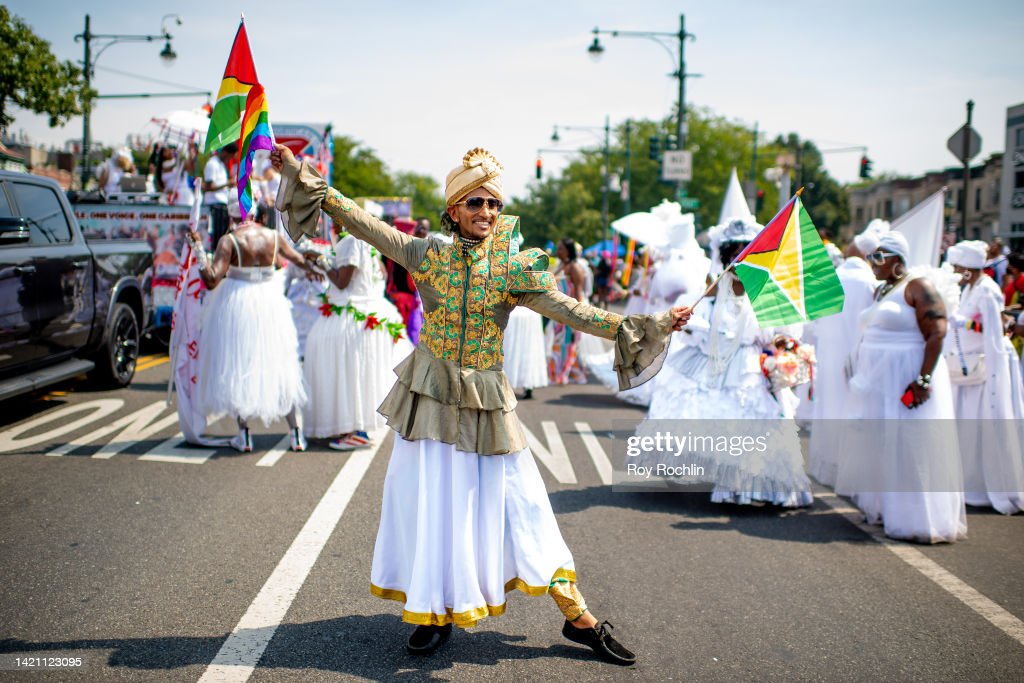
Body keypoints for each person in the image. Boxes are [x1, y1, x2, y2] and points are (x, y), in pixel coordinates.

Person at [272, 143, 691, 664]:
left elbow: (573, 311)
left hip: (488, 404)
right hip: (429, 400)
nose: (486, 213)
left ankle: (576, 615)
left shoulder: (513, 269)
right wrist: (299, 173)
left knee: (526, 506)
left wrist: (647, 325)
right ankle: (433, 611)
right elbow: (359, 221)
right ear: (453, 210)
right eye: (475, 203)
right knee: (436, 506)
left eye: (493, 203)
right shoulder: (426, 254)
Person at [643, 218, 813, 507]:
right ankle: (729, 485)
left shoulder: (765, 290)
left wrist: (783, 347)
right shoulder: (711, 288)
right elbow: (696, 321)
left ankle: (755, 489)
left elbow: (780, 332)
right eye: (733, 252)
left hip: (750, 369)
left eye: (745, 252)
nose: (739, 258)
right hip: (716, 364)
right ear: (724, 256)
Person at [836, 232, 967, 543]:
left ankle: (916, 519)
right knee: (882, 444)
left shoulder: (918, 286)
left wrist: (922, 379)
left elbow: (936, 333)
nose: (873, 264)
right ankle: (885, 510)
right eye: (871, 257)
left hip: (906, 375)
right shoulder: (881, 290)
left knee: (910, 446)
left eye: (879, 258)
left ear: (898, 260)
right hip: (879, 380)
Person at [186, 216, 321, 453]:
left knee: (239, 365)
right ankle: (295, 433)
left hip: (239, 305)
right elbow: (299, 260)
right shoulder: (273, 236)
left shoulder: (229, 241)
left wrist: (197, 248)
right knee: (280, 364)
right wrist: (316, 266)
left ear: (230, 217)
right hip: (271, 304)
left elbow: (211, 280)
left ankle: (244, 434)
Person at [303, 227, 413, 450]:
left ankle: (355, 430)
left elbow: (342, 282)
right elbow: (381, 273)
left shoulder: (351, 242)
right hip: (374, 312)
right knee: (361, 374)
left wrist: (320, 260)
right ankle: (353, 428)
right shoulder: (368, 240)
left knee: (350, 373)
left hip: (355, 315)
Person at [945, 240, 1024, 515]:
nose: (956, 270)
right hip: (970, 368)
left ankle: (990, 487)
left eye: (959, 266)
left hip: (987, 366)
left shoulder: (987, 290)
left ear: (968, 268)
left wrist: (963, 323)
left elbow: (993, 332)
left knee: (984, 427)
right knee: (969, 429)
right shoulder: (969, 288)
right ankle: (971, 483)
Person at [808, 220, 884, 486]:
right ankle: (848, 469)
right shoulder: (868, 283)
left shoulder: (834, 277)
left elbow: (816, 318)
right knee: (850, 411)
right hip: (854, 357)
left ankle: (826, 465)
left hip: (828, 354)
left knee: (828, 407)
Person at [546, 238, 589, 385]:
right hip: (559, 313)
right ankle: (574, 374)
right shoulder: (561, 266)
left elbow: (579, 293)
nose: (558, 251)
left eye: (561, 249)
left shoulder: (575, 268)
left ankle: (559, 375)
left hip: (570, 312)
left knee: (566, 345)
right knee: (563, 344)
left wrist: (578, 315)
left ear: (568, 251)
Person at [203, 143, 237, 248]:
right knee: (217, 237)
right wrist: (227, 184)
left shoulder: (221, 165)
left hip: (222, 204)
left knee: (223, 236)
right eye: (230, 156)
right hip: (214, 204)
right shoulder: (212, 164)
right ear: (225, 153)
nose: (230, 159)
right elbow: (208, 187)